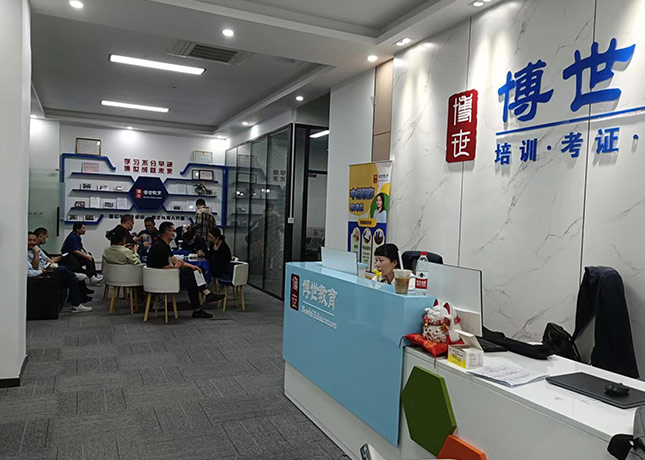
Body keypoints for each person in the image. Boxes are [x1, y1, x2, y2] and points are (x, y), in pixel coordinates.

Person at [146, 221, 224, 318]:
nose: (175, 233)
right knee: (191, 278)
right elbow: (165, 268)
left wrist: (192, 266)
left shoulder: (164, 245)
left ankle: (205, 294)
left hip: (164, 275)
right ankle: (202, 300)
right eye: (173, 231)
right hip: (160, 279)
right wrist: (177, 267)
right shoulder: (159, 247)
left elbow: (175, 260)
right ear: (167, 232)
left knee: (194, 271)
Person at [28, 232, 92, 313]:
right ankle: (76, 303)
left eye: (34, 240)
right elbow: (35, 267)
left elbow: (48, 259)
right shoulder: (27, 252)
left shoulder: (37, 248)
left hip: (48, 267)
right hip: (41, 271)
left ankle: (76, 304)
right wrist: (36, 254)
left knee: (71, 276)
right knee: (64, 270)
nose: (32, 242)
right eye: (29, 240)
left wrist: (52, 262)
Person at [35, 227, 93, 295]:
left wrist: (53, 259)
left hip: (51, 262)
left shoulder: (38, 248)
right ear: (41, 235)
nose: (46, 239)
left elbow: (45, 258)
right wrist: (52, 260)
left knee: (73, 261)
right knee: (74, 265)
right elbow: (42, 261)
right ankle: (85, 275)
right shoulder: (35, 249)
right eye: (46, 236)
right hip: (48, 266)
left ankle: (84, 279)